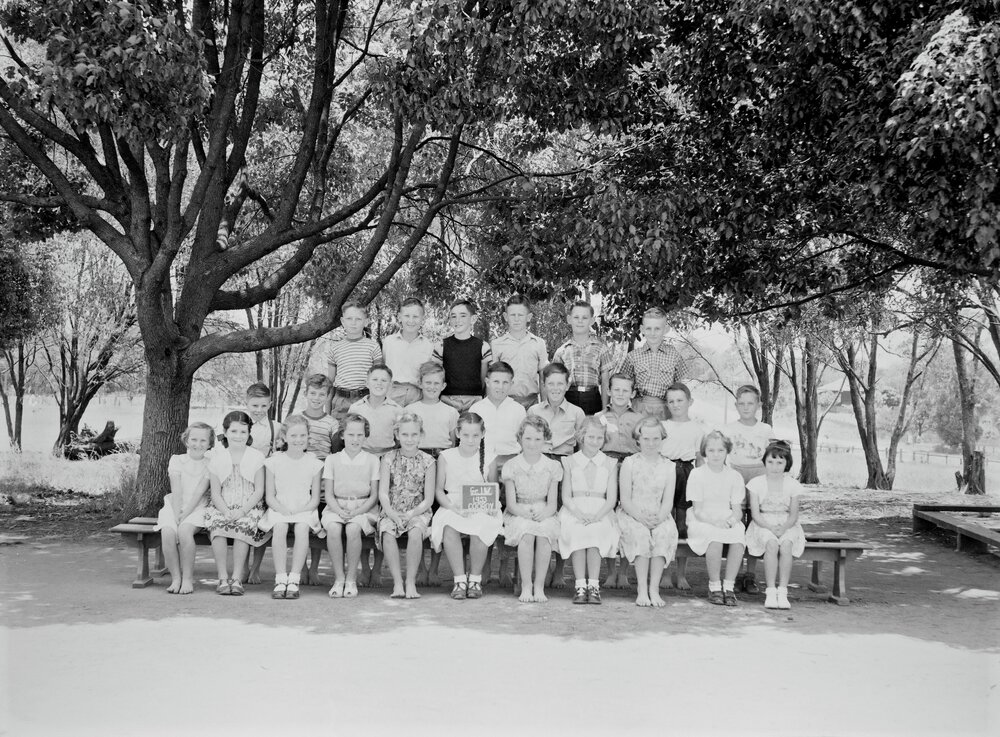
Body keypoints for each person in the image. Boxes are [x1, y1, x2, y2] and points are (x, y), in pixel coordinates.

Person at [429, 412, 500, 600]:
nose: (470, 439)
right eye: (466, 434)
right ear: (458, 433)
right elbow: (438, 491)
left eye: (475, 435)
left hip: (480, 506)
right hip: (452, 504)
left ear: (483, 434)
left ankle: (474, 579)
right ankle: (459, 579)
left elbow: (493, 489)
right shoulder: (446, 456)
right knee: (449, 527)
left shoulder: (490, 458)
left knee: (480, 526)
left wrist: (489, 507)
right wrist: (453, 508)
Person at [204, 411, 270, 595]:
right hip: (222, 505)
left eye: (243, 432)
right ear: (225, 433)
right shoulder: (217, 458)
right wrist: (225, 511)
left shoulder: (256, 457)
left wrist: (242, 510)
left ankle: (237, 577)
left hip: (249, 506)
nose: (238, 436)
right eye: (233, 431)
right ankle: (223, 577)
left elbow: (259, 490)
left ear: (249, 433)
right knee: (218, 528)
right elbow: (216, 492)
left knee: (243, 527)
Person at [616, 416, 678, 608]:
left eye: (655, 439)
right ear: (638, 439)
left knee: (664, 532)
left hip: (659, 514)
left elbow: (668, 501)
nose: (651, 443)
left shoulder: (669, 466)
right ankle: (642, 589)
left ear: (662, 439)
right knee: (640, 534)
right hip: (632, 513)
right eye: (646, 439)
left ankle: (654, 588)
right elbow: (625, 499)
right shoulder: (629, 463)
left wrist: (659, 519)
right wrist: (641, 518)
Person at [259, 415, 323, 599]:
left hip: (304, 508)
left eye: (303, 435)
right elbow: (270, 496)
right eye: (294, 436)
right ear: (285, 437)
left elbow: (315, 499)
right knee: (280, 527)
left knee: (302, 528)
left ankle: (294, 578)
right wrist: (282, 509)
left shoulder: (314, 463)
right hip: (279, 507)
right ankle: (280, 578)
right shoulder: (274, 462)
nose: (298, 440)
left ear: (308, 437)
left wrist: (301, 510)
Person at [558, 417, 620, 605]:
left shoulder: (610, 463)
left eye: (599, 437)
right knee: (577, 531)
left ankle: (593, 585)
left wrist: (597, 516)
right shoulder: (570, 461)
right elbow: (566, 496)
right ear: (582, 437)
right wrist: (579, 514)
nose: (595, 441)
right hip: (575, 509)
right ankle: (580, 585)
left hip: (601, 510)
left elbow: (611, 499)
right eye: (591, 437)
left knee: (595, 531)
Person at [501, 416, 562, 603]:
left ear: (545, 439)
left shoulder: (552, 466)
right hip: (518, 510)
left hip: (544, 509)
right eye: (527, 438)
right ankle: (526, 585)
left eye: (537, 439)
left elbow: (552, 503)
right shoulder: (511, 465)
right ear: (520, 438)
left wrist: (544, 513)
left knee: (543, 534)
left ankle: (539, 585)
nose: (532, 443)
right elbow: (510, 503)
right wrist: (524, 513)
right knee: (526, 533)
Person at [322, 414, 381, 599]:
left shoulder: (373, 460)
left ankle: (351, 578)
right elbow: (329, 494)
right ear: (342, 435)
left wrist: (356, 511)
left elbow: (374, 496)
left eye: (360, 435)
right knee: (333, 528)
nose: (355, 439)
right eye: (350, 434)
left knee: (353, 528)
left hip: (364, 507)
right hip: (336, 505)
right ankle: (339, 578)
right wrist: (339, 511)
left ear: (365, 435)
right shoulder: (332, 460)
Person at [377, 413, 436, 599]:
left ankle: (411, 581)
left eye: (414, 435)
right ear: (397, 435)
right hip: (392, 509)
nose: (409, 439)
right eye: (405, 435)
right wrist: (391, 513)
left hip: (417, 509)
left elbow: (428, 499)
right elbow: (383, 492)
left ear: (421, 435)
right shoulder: (388, 458)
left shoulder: (428, 461)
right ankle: (397, 583)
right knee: (387, 531)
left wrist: (411, 514)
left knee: (416, 532)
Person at [685, 431, 747, 606]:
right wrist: (715, 523)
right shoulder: (697, 474)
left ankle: (729, 586)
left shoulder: (734, 476)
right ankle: (714, 587)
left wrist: (731, 521)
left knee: (738, 535)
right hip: (702, 518)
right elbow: (697, 510)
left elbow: (736, 511)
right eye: (711, 450)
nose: (716, 454)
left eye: (720, 450)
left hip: (726, 517)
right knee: (714, 538)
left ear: (727, 451)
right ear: (705, 452)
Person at [723, 385, 774, 595]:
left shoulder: (765, 430)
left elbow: (772, 457)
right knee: (736, 527)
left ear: (758, 405)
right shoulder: (727, 429)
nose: (746, 407)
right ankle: (733, 575)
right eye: (741, 403)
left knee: (755, 526)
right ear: (736, 405)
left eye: (750, 403)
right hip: (736, 477)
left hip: (759, 478)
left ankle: (750, 575)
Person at [746, 441, 806, 610]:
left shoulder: (793, 485)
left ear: (787, 464)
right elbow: (756, 514)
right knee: (771, 544)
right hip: (763, 523)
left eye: (780, 462)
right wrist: (770, 528)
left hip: (787, 524)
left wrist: (784, 527)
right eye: (771, 462)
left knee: (786, 545)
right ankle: (771, 591)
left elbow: (794, 514)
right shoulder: (756, 483)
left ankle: (783, 591)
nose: (775, 466)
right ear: (764, 462)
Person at [155, 422, 214, 594]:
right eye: (194, 439)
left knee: (184, 532)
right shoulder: (177, 460)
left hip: (198, 506)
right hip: (174, 505)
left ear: (210, 444)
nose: (198, 444)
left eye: (203, 441)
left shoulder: (210, 463)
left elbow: (199, 492)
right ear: (186, 440)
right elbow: (177, 490)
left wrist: (185, 515)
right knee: (167, 532)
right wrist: (176, 514)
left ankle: (188, 579)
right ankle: (176, 578)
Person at [659, 382, 705, 591]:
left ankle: (682, 574)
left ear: (690, 402)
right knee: (665, 525)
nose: (675, 405)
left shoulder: (697, 429)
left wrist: (700, 483)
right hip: (666, 472)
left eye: (680, 400)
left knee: (682, 525)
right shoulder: (663, 426)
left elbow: (699, 459)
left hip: (688, 473)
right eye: (671, 401)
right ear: (666, 404)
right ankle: (665, 574)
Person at [619, 306, 690, 421]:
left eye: (657, 329)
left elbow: (679, 389)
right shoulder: (632, 356)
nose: (653, 333)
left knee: (664, 437)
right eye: (648, 328)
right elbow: (623, 386)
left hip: (665, 408)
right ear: (642, 329)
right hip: (639, 407)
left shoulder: (674, 355)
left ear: (665, 329)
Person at [327, 300, 383, 435]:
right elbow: (330, 381)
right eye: (349, 319)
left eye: (358, 319)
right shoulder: (335, 348)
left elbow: (379, 379)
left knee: (364, 437)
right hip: (341, 400)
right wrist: (327, 411)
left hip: (365, 398)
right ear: (342, 321)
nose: (353, 322)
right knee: (340, 438)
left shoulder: (373, 347)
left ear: (366, 321)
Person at [552, 300, 615, 415]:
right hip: (568, 398)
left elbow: (605, 382)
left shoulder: (601, 349)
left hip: (592, 399)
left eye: (584, 318)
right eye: (576, 317)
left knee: (591, 430)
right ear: (569, 319)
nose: (580, 321)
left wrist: (605, 409)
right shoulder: (562, 351)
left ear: (591, 320)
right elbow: (556, 382)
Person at [490, 294, 548, 409]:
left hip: (532, 403)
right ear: (506, 316)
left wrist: (545, 406)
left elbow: (543, 379)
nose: (516, 319)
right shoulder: (497, 344)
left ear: (529, 317)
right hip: (505, 403)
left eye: (520, 315)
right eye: (512, 315)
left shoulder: (538, 343)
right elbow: (492, 379)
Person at [433, 299, 492, 413]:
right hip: (447, 400)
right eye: (453, 316)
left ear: (473, 319)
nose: (457, 320)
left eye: (463, 316)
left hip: (474, 401)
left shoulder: (483, 346)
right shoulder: (441, 346)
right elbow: (437, 376)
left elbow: (483, 378)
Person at [469, 361, 526, 473]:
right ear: (487, 382)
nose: (500, 387)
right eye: (496, 381)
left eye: (505, 382)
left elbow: (523, 441)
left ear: (511, 383)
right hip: (482, 464)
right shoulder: (476, 409)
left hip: (511, 462)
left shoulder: (519, 410)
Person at [381, 297, 435, 407]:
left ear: (422, 319)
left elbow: (429, 374)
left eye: (415, 316)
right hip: (392, 392)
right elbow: (383, 368)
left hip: (417, 395)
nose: (411, 321)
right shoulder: (389, 342)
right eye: (407, 316)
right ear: (400, 317)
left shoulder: (428, 345)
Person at [349, 364, 405, 456]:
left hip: (388, 456)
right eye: (375, 379)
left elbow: (400, 438)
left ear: (390, 385)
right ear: (367, 383)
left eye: (384, 380)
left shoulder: (397, 410)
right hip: (361, 455)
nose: (379, 383)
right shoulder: (356, 408)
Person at [407, 361, 459, 458]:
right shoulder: (410, 410)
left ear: (443, 386)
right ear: (420, 383)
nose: (432, 387)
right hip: (417, 456)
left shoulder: (451, 412)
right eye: (428, 382)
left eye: (436, 383)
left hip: (443, 456)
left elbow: (453, 442)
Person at [597, 374, 642, 462]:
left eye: (625, 391)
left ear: (632, 394)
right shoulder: (599, 417)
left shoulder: (640, 419)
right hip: (606, 461)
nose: (620, 394)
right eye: (616, 390)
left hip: (632, 461)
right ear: (609, 391)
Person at [302, 374, 340, 461]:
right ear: (305, 394)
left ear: (327, 397)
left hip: (324, 467)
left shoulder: (332, 423)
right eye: (313, 393)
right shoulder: (296, 420)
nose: (316, 398)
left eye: (322, 394)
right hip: (300, 466)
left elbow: (336, 452)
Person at [245, 382, 283, 457]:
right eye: (255, 405)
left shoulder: (277, 428)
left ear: (269, 405)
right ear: (246, 404)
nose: (259, 410)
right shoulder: (239, 427)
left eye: (264, 406)